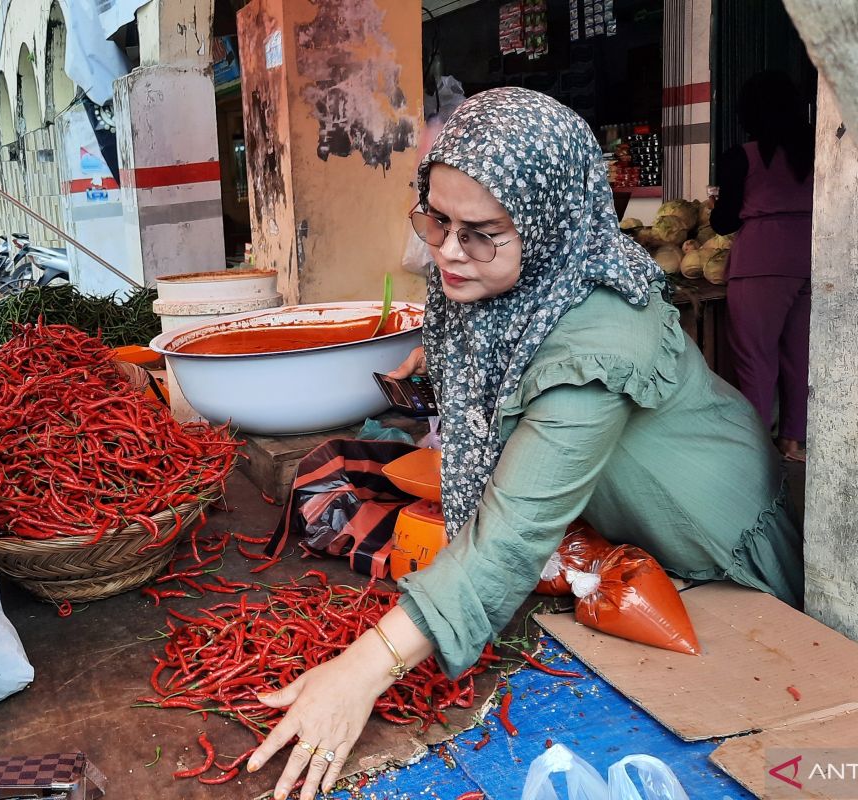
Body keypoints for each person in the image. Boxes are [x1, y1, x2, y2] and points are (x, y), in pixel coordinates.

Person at [243, 88, 802, 800]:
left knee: (752, 734)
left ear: (549, 227)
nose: (446, 250)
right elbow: (486, 357)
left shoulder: (600, 337)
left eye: (480, 231)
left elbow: (510, 540)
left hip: (714, 544)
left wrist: (357, 674)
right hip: (628, 533)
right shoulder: (490, 287)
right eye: (435, 218)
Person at [710, 70, 814, 462]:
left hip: (760, 262)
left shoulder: (743, 157)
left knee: (756, 358)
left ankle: (755, 448)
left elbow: (725, 221)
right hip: (809, 256)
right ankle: (793, 441)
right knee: (797, 355)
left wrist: (716, 208)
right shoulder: (814, 153)